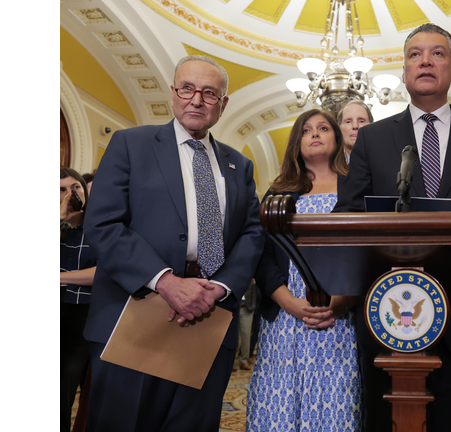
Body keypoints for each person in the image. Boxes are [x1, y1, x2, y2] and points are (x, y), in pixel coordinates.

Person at [334, 23, 451, 432]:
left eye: (437, 54)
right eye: (415, 54)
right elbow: (350, 216)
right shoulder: (373, 138)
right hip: (388, 312)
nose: (426, 61)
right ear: (403, 71)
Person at [82, 55, 264, 431]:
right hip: (136, 311)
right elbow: (103, 224)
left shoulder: (239, 166)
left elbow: (252, 233)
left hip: (208, 316)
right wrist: (165, 281)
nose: (196, 100)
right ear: (173, 93)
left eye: (210, 93)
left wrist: (218, 288)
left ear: (223, 104)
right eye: (187, 88)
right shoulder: (131, 144)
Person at [249, 109, 360, 431]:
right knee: (280, 407)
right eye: (306, 130)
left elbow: (368, 251)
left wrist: (343, 301)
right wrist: (287, 301)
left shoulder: (355, 188)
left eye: (323, 128)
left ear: (336, 139)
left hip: (340, 318)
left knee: (338, 404)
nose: (314, 134)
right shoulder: (278, 192)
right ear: (296, 143)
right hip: (285, 317)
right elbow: (261, 256)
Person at [60, 167, 97, 432]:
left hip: (87, 315)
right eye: (61, 190)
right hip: (59, 314)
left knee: (87, 396)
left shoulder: (98, 227)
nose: (69, 195)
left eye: (75, 188)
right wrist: (60, 216)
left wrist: (59, 277)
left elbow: (104, 272)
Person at [337, 99, 374, 164]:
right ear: (339, 128)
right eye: (348, 121)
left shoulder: (384, 162)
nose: (355, 126)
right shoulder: (328, 166)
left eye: (361, 121)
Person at [234, 279, 259, 371]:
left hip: (247, 310)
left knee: (246, 336)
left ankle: (243, 361)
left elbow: (253, 293)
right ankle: (231, 362)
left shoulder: (250, 278)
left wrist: (252, 307)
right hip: (234, 309)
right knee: (232, 336)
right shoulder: (232, 276)